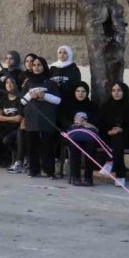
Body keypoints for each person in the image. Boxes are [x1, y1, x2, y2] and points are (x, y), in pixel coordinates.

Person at [21, 56, 61, 179]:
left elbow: (58, 100)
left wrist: (45, 96)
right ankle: (34, 170)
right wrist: (30, 95)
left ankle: (49, 171)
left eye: (39, 65)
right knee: (32, 145)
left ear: (44, 66)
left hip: (46, 119)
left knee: (47, 145)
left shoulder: (51, 83)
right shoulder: (28, 82)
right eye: (34, 65)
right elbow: (22, 101)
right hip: (31, 119)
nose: (36, 67)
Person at [49, 45, 81, 177]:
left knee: (66, 131)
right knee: (54, 132)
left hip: (67, 106)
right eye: (60, 52)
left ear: (69, 54)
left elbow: (75, 86)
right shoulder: (53, 68)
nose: (62, 55)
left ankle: (68, 160)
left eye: (64, 53)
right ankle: (56, 160)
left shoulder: (74, 69)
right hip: (54, 106)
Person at [62, 81, 99, 186]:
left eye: (83, 91)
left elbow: (97, 120)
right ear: (74, 92)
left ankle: (88, 177)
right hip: (72, 134)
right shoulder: (68, 106)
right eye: (77, 91)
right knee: (74, 144)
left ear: (87, 93)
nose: (80, 93)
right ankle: (76, 176)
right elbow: (63, 120)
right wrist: (73, 122)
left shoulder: (92, 106)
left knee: (91, 146)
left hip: (88, 135)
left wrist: (89, 123)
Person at [100, 82, 129, 186]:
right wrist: (108, 131)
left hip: (125, 138)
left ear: (124, 92)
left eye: (119, 90)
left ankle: (111, 162)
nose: (116, 93)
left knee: (118, 138)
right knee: (116, 140)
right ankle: (120, 175)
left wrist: (121, 130)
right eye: (114, 90)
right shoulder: (105, 107)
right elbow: (100, 124)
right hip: (107, 137)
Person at [0, 76, 23, 169]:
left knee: (5, 137)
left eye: (11, 82)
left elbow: (19, 119)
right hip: (6, 124)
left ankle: (11, 158)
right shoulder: (3, 98)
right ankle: (2, 157)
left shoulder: (20, 98)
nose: (9, 84)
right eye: (7, 83)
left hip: (16, 126)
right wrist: (12, 118)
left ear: (15, 85)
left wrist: (8, 118)